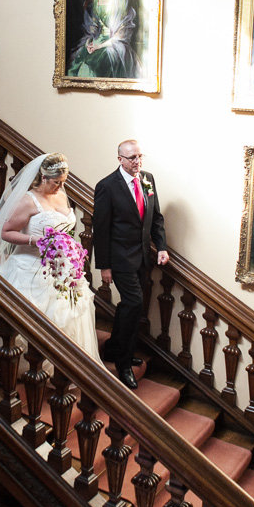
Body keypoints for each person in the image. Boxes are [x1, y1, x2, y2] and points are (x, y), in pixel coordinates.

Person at [0, 153, 99, 366]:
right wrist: (37, 241)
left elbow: (64, 229)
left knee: (69, 314)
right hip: (29, 266)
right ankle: (29, 367)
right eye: (56, 182)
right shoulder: (27, 201)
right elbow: (6, 232)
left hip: (60, 268)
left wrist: (68, 248)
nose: (60, 187)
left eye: (63, 182)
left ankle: (68, 367)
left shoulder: (60, 195)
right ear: (43, 178)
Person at [93, 140, 169, 389]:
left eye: (139, 156)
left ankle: (115, 348)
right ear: (120, 160)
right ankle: (123, 364)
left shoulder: (148, 179)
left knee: (130, 305)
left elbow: (155, 218)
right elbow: (101, 229)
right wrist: (104, 266)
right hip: (120, 259)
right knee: (134, 303)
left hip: (143, 257)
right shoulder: (106, 186)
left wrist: (162, 247)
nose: (137, 162)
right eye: (132, 158)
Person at [67, 0, 143, 79]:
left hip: (114, 43)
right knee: (79, 62)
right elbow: (92, 28)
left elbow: (121, 32)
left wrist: (99, 46)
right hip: (97, 39)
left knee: (93, 66)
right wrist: (90, 43)